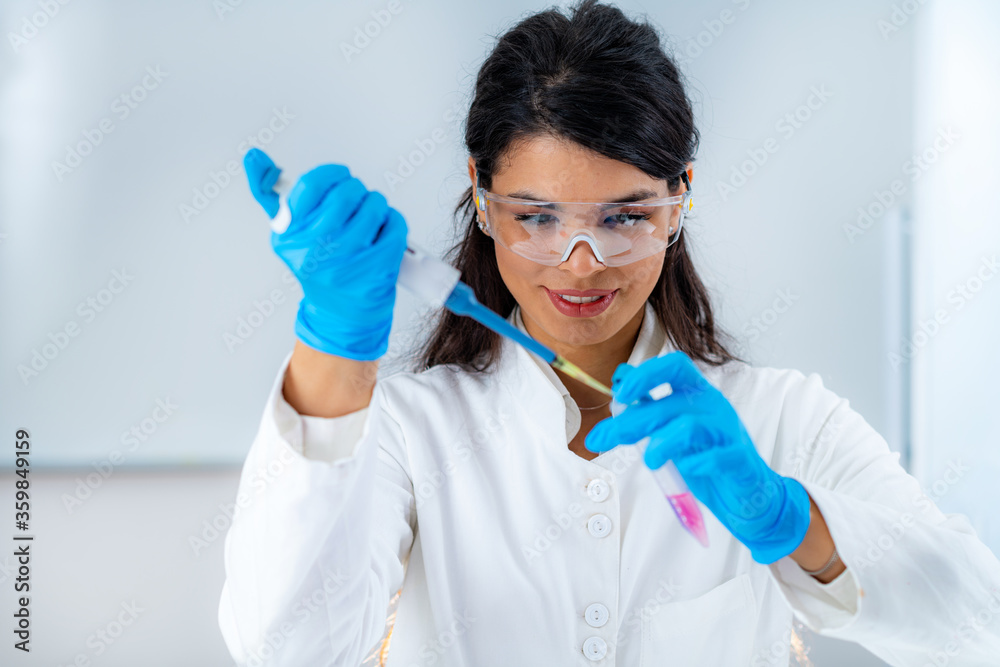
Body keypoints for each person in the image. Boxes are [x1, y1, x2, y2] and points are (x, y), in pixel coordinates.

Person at [218, 1, 1000, 665]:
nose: (580, 263)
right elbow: (286, 646)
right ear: (482, 200)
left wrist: (790, 519)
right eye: (537, 218)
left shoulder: (783, 418)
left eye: (625, 217)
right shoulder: (409, 431)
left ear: (679, 196)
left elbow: (978, 627)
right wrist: (333, 348)